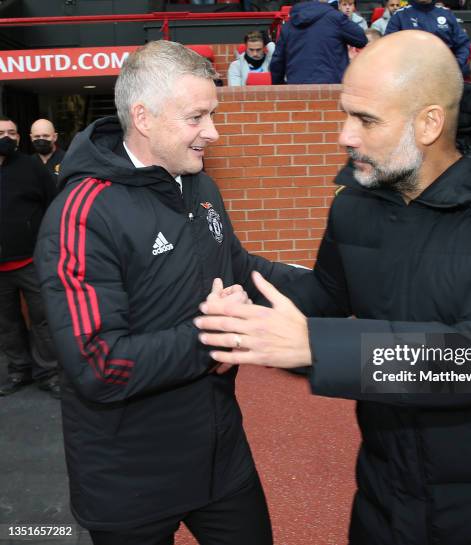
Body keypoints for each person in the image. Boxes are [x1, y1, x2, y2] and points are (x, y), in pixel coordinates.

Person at [194, 31, 471, 545]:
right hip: (389, 493)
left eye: (366, 120)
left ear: (429, 123)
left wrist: (317, 346)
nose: (345, 136)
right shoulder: (356, 206)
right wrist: (235, 279)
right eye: (345, 114)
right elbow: (324, 297)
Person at [34, 40, 302, 545]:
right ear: (144, 116)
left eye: (212, 114)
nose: (213, 132)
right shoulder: (82, 213)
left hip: (220, 459)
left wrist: (342, 287)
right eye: (196, 116)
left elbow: (241, 272)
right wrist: (214, 337)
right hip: (128, 481)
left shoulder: (199, 185)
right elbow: (99, 364)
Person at [0, 116, 60, 399]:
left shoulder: (31, 167)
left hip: (31, 261)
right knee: (6, 322)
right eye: (1, 133)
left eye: (12, 133)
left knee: (43, 318)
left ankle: (48, 373)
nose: (7, 138)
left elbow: (53, 205)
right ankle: (18, 370)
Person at [269, 0, 367, 84]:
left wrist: (279, 87)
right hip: (331, 89)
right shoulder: (336, 18)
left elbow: (277, 62)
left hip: (298, 89)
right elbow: (361, 39)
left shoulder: (288, 26)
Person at [385, 0, 471, 75]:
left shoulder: (446, 14)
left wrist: (456, 64)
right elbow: (389, 48)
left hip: (445, 72)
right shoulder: (400, 16)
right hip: (410, 74)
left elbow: (463, 44)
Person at [30, 118, 65, 183]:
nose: (41, 140)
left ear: (55, 137)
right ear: (31, 138)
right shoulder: (28, 163)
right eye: (37, 136)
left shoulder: (67, 160)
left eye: (46, 136)